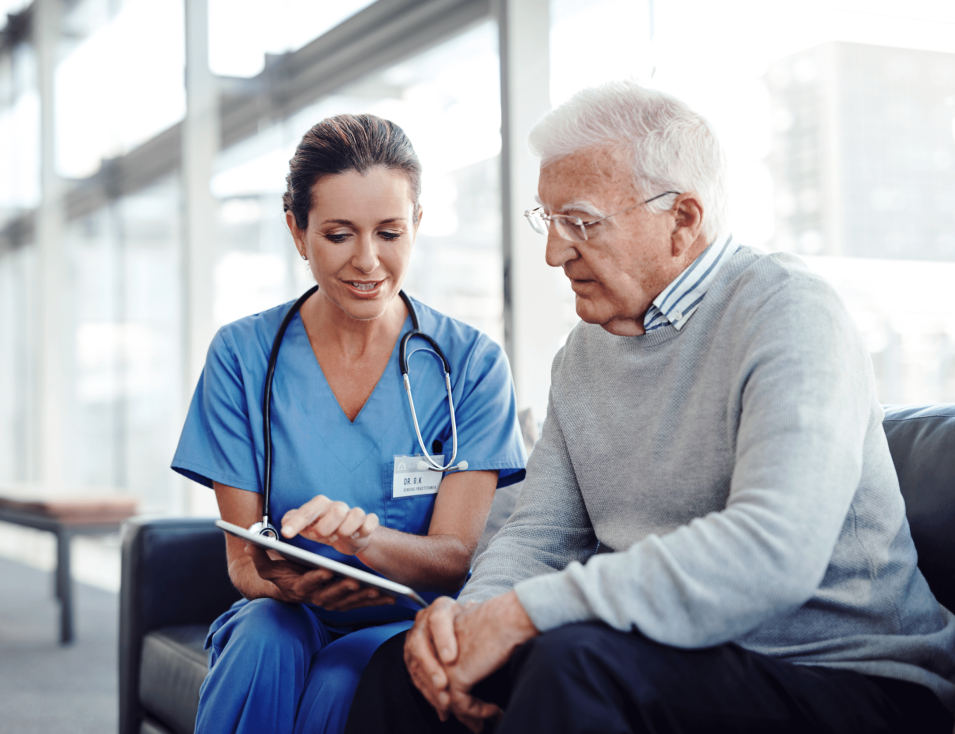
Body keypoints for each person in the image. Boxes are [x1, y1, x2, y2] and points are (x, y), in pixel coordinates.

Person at [345, 82, 955, 734]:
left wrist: (525, 615)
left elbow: (773, 550)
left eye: (579, 221)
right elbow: (539, 535)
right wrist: (472, 622)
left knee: (573, 665)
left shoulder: (789, 311)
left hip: (848, 676)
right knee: (400, 671)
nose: (554, 252)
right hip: (668, 660)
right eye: (547, 221)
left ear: (682, 219)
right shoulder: (581, 355)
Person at [171, 113, 527, 734]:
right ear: (297, 231)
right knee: (262, 641)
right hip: (284, 611)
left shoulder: (470, 365)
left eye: (390, 232)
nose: (368, 261)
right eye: (339, 235)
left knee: (342, 678)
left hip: (406, 616)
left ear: (417, 225)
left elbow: (453, 558)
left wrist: (364, 546)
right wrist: (285, 581)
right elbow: (243, 562)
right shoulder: (241, 356)